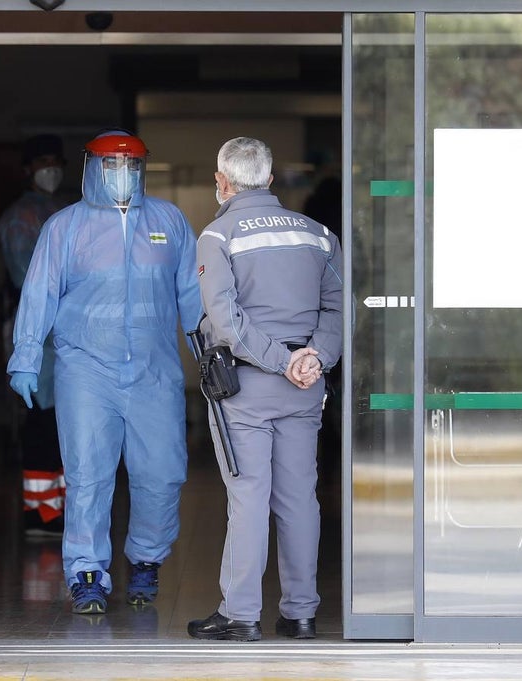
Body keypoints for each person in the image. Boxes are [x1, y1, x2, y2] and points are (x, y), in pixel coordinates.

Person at [6, 129, 202, 615]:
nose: (122, 175)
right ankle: (87, 572)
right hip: (86, 371)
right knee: (89, 474)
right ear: (91, 168)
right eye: (112, 166)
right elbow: (39, 294)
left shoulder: (168, 222)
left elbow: (193, 296)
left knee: (162, 473)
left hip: (155, 372)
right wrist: (27, 355)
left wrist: (210, 351)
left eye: (131, 166)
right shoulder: (65, 228)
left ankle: (146, 561)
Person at [187, 137, 343, 642]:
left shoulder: (217, 235)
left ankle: (241, 614)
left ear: (222, 182)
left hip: (246, 387)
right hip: (305, 386)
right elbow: (338, 310)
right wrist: (311, 359)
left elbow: (226, 322)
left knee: (249, 496)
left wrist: (280, 362)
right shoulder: (318, 234)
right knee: (300, 498)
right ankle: (300, 614)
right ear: (271, 180)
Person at [0, 134, 69, 536]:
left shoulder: (69, 209)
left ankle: (58, 509)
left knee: (68, 424)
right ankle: (40, 512)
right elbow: (29, 279)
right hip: (38, 335)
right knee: (42, 421)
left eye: (55, 160)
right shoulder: (20, 217)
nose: (50, 169)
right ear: (27, 168)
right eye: (42, 161)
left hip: (71, 338)